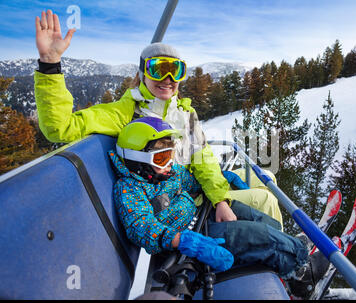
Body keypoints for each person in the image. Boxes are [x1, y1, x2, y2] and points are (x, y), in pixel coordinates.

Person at [34, 9, 282, 226]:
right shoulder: (125, 112)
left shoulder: (185, 113)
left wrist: (219, 196)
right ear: (143, 74)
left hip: (195, 185)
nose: (168, 79)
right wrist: (50, 64)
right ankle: (289, 272)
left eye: (176, 71)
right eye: (158, 69)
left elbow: (202, 158)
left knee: (267, 176)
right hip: (177, 202)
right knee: (266, 199)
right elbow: (60, 128)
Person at [110, 116, 310, 279]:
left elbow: (194, 182)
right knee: (262, 237)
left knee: (264, 221)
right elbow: (141, 227)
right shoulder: (129, 188)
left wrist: (225, 180)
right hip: (192, 238)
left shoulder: (169, 172)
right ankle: (301, 271)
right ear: (138, 161)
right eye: (162, 157)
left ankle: (289, 247)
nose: (170, 162)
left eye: (170, 154)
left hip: (203, 214)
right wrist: (181, 240)